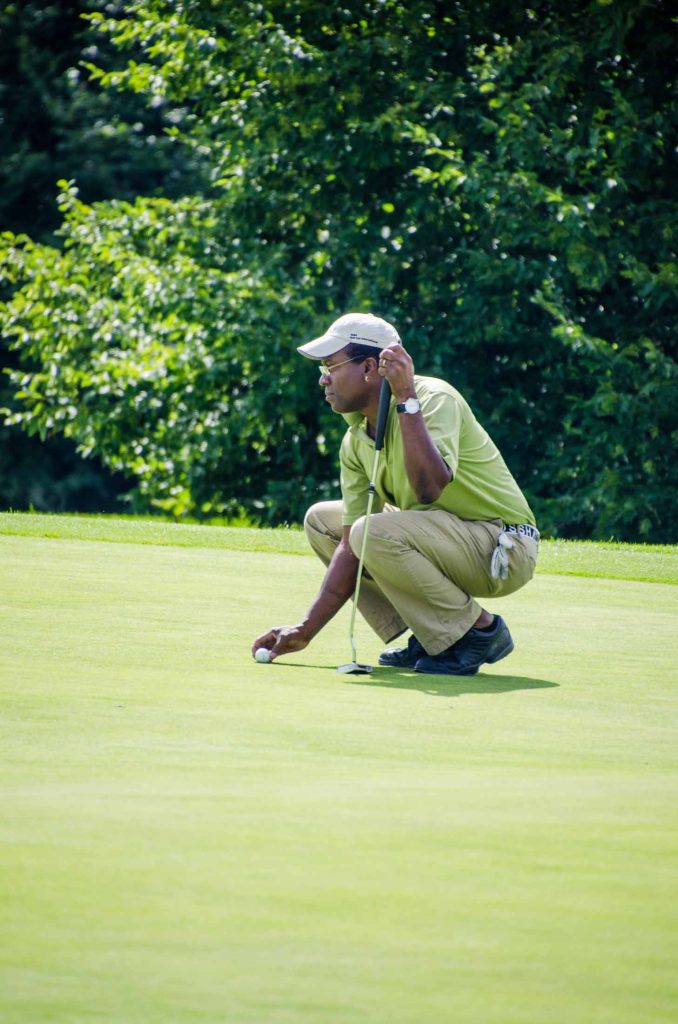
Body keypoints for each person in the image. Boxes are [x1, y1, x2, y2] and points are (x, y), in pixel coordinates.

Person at [251, 312, 539, 675]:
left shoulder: (434, 399)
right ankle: (431, 633)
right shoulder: (355, 436)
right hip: (444, 541)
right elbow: (347, 546)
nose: (323, 379)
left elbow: (428, 488)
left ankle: (478, 630)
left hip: (503, 547)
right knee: (323, 522)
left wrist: (405, 396)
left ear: (371, 367)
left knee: (368, 532)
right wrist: (305, 630)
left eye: (331, 366)